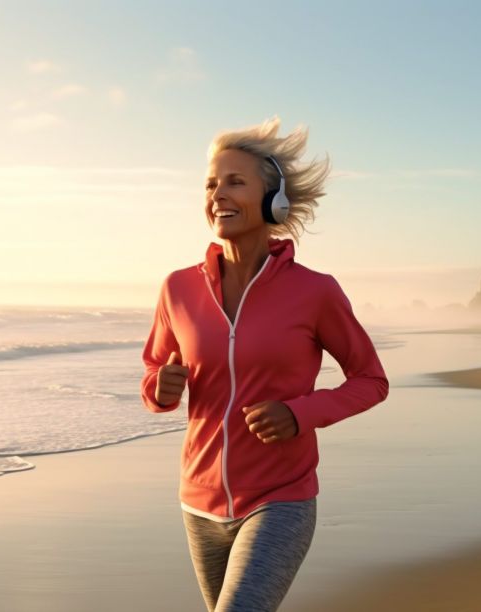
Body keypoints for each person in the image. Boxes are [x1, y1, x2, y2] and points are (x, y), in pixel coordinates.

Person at [140, 116, 389, 611]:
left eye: (235, 182)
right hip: (199, 501)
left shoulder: (315, 291)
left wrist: (301, 413)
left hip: (281, 497)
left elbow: (371, 381)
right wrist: (160, 389)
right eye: (211, 184)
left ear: (273, 197)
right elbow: (153, 374)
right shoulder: (178, 289)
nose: (218, 195)